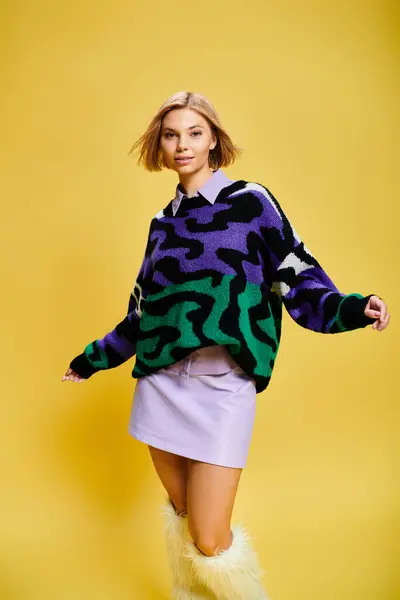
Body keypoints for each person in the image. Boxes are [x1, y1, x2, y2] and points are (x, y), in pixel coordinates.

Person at [62, 91, 391, 600]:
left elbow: (297, 276)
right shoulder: (162, 224)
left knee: (210, 537)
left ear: (214, 138)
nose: (183, 144)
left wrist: (352, 307)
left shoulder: (252, 203)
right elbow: (143, 312)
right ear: (161, 144)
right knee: (186, 516)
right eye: (172, 134)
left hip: (224, 388)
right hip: (162, 385)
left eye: (194, 132)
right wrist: (92, 359)